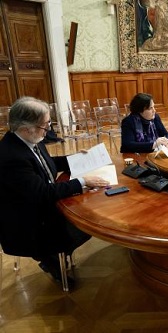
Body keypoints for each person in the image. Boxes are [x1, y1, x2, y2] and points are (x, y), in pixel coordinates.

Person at [0, 97, 109, 287]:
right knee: (83, 225)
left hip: (38, 203)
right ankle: (48, 258)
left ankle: (54, 255)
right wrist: (82, 181)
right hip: (27, 220)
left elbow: (45, 163)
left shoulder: (29, 139)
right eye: (45, 125)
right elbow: (42, 192)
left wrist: (76, 159)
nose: (49, 130)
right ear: (26, 128)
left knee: (86, 217)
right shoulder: (11, 156)